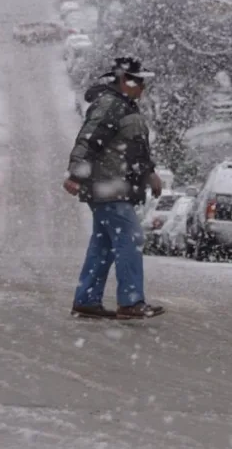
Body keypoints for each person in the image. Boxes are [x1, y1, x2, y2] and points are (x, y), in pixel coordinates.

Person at [63, 57, 165, 320]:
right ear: (123, 81)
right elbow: (88, 140)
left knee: (104, 245)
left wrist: (149, 172)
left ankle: (87, 300)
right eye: (138, 81)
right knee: (131, 238)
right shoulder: (111, 106)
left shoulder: (123, 106)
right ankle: (130, 301)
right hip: (108, 187)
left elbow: (135, 150)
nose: (142, 88)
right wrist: (75, 174)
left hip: (114, 187)